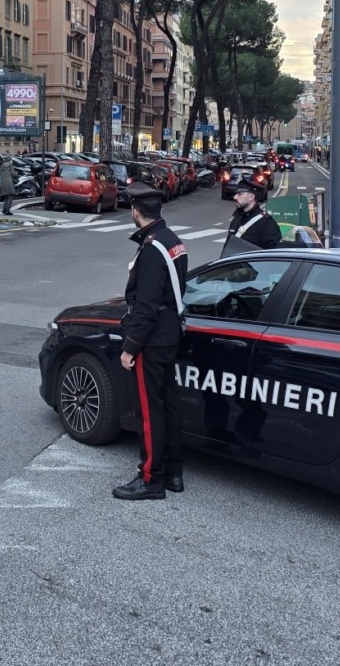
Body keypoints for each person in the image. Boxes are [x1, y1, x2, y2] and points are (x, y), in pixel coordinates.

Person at [112, 182, 188, 501]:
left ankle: (150, 478)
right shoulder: (173, 241)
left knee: (148, 410)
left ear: (135, 211)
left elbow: (146, 307)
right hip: (170, 334)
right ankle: (172, 472)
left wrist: (130, 347)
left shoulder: (153, 248)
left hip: (152, 338)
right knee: (169, 405)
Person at [227, 175, 282, 249]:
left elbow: (273, 254)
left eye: (240, 194)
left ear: (251, 197)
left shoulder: (267, 223)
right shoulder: (237, 219)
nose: (235, 197)